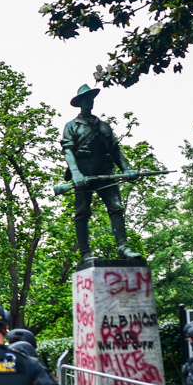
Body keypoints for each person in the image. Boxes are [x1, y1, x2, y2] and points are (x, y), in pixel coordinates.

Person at [61, 84, 141, 261]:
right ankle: (85, 253)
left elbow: (115, 149)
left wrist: (126, 169)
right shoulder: (71, 126)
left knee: (116, 207)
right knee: (82, 212)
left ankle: (123, 248)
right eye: (86, 99)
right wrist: (75, 173)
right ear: (80, 102)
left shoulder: (104, 126)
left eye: (91, 98)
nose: (89, 102)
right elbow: (68, 150)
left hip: (105, 171)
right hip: (83, 173)